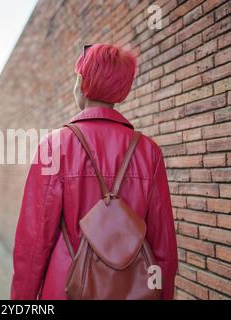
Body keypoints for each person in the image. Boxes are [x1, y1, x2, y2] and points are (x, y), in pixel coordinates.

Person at [11, 43, 178, 300]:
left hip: (66, 289)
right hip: (132, 291)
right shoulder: (149, 152)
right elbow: (164, 247)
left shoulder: (54, 146)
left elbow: (33, 244)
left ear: (81, 83)